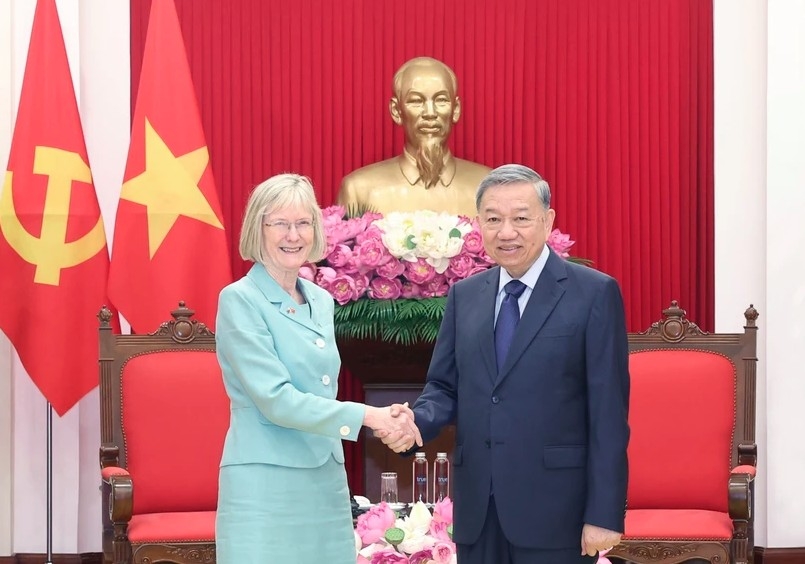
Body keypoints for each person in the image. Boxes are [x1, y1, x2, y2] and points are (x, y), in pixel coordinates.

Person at [382, 164, 630, 563]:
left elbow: (608, 412)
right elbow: (444, 388)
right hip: (479, 509)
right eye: (493, 219)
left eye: (520, 218)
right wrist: (413, 425)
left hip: (556, 512)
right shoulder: (465, 296)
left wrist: (604, 513)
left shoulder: (593, 294)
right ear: (479, 224)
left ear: (548, 221)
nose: (506, 232)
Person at [214, 173, 422, 564]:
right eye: (280, 224)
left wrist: (389, 417)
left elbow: (320, 387)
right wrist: (372, 415)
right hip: (267, 484)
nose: (293, 235)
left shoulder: (322, 301)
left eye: (303, 223)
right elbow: (277, 400)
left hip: (324, 480)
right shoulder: (239, 300)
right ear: (257, 229)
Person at [337, 56, 491, 218]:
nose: (430, 113)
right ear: (396, 111)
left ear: (456, 109)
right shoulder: (359, 190)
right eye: (416, 101)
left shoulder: (489, 187)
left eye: (441, 100)